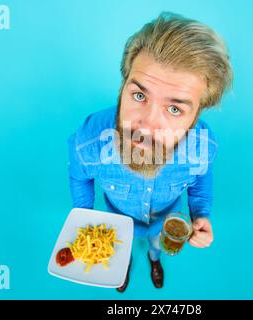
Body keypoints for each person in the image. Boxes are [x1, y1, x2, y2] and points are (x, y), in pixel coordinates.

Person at [68, 11, 233, 292]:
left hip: (166, 222)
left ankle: (154, 261)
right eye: (139, 95)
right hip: (117, 222)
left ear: (196, 114)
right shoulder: (88, 142)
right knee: (122, 251)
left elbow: (202, 177)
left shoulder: (203, 147)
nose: (146, 125)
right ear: (123, 86)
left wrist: (200, 214)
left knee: (156, 247)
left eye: (174, 109)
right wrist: (84, 217)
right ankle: (123, 268)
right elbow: (78, 176)